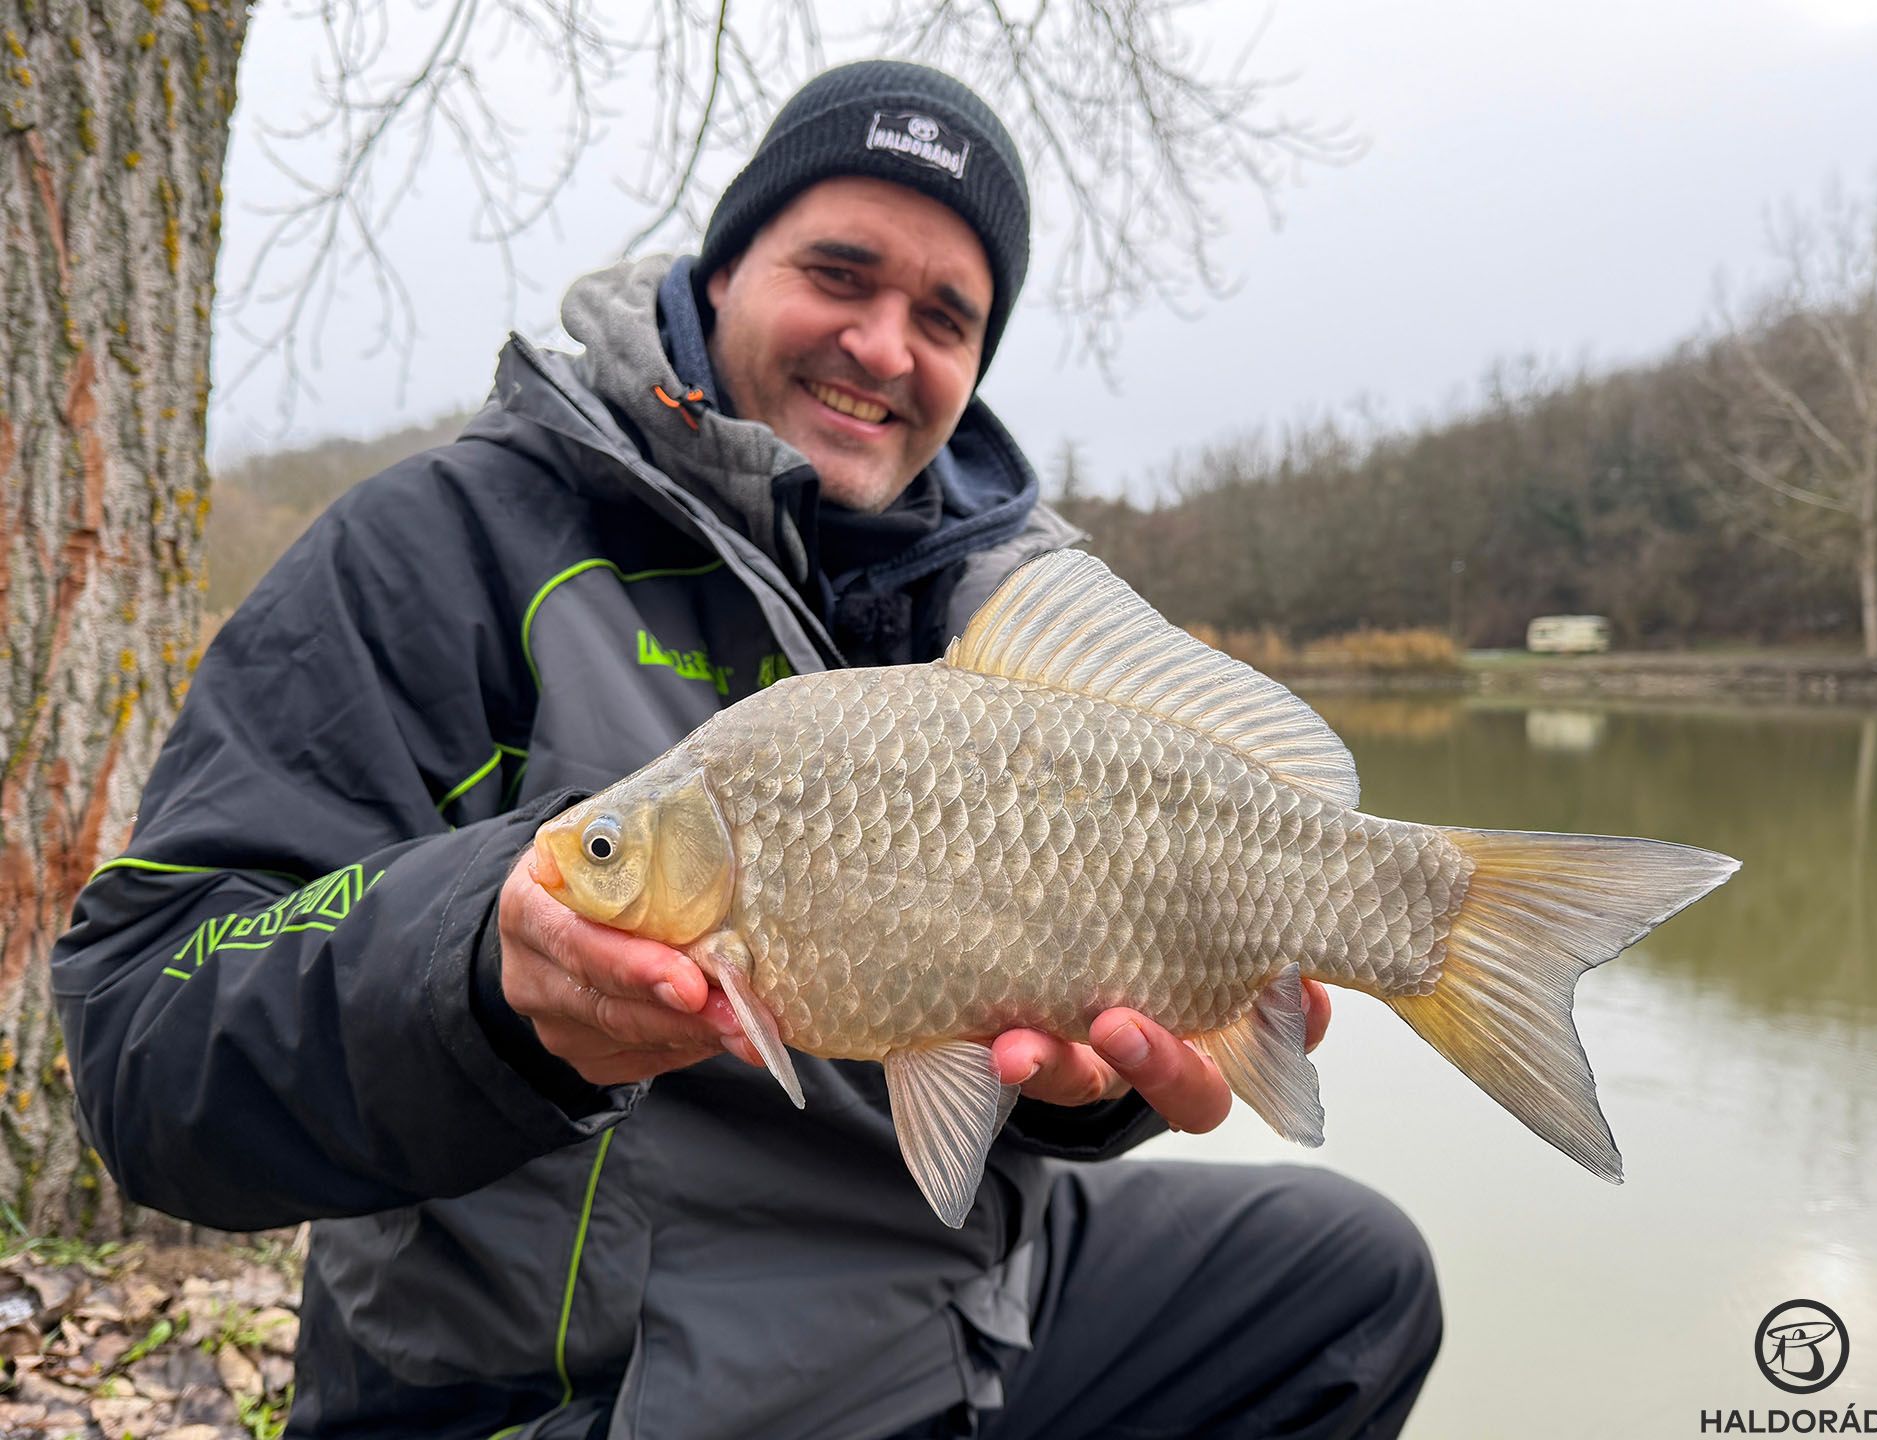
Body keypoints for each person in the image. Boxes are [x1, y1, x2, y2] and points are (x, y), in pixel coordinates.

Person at [54, 60, 1441, 1440]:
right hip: (598, 1394)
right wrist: (488, 979)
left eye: (945, 316)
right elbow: (143, 1038)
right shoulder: (443, 549)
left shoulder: (1000, 605)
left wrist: (1091, 1093)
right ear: (721, 270)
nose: (886, 346)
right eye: (839, 273)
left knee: (1349, 1282)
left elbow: (1013, 1083)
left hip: (942, 1328)